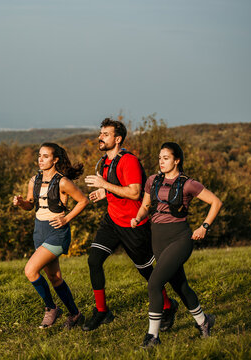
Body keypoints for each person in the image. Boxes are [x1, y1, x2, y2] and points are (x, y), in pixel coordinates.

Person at [82, 118, 176, 331]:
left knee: (146, 271)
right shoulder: (106, 162)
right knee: (94, 260)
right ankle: (102, 311)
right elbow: (118, 187)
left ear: (118, 139)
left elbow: (134, 192)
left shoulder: (128, 160)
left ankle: (169, 306)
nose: (100, 137)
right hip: (112, 220)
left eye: (105, 134)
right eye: (101, 133)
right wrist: (104, 192)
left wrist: (104, 184)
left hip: (134, 223)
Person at [131, 142, 222, 348]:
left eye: (166, 158)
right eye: (160, 158)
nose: (161, 161)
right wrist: (137, 217)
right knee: (180, 286)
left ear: (176, 160)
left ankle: (152, 336)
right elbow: (146, 206)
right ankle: (204, 322)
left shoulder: (188, 183)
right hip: (158, 239)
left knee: (155, 283)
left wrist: (204, 227)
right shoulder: (153, 180)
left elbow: (216, 202)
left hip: (180, 238)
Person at [13, 142, 89, 329]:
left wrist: (66, 219)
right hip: (39, 231)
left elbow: (83, 201)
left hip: (57, 232)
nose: (41, 159)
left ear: (55, 159)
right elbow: (31, 204)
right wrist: (22, 203)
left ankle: (51, 308)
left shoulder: (63, 181)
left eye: (45, 156)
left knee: (30, 270)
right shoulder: (34, 180)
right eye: (39, 155)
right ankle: (75, 314)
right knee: (55, 277)